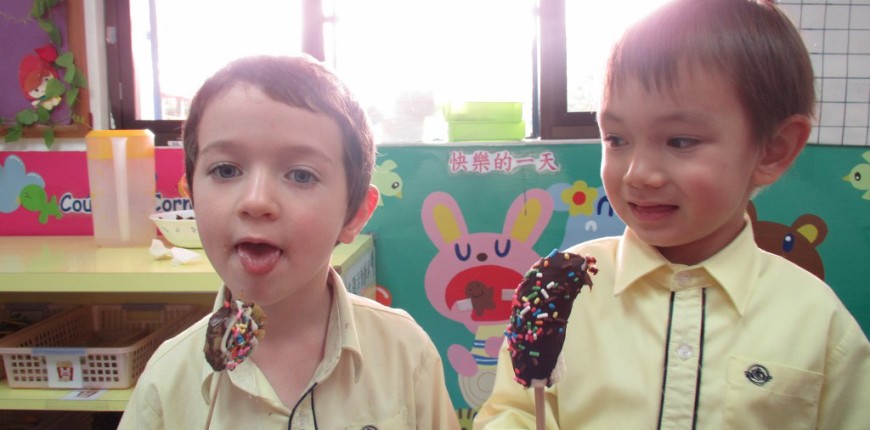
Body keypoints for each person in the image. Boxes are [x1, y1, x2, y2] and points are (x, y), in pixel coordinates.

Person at [475, 0, 870, 428]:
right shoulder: (565, 295)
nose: (637, 174)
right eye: (616, 139)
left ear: (774, 149)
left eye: (680, 141)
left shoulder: (818, 323)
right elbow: (513, 409)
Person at [119, 55, 459, 429]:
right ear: (192, 196)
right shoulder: (165, 384)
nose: (256, 201)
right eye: (226, 170)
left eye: (301, 175)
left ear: (355, 215)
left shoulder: (406, 355)